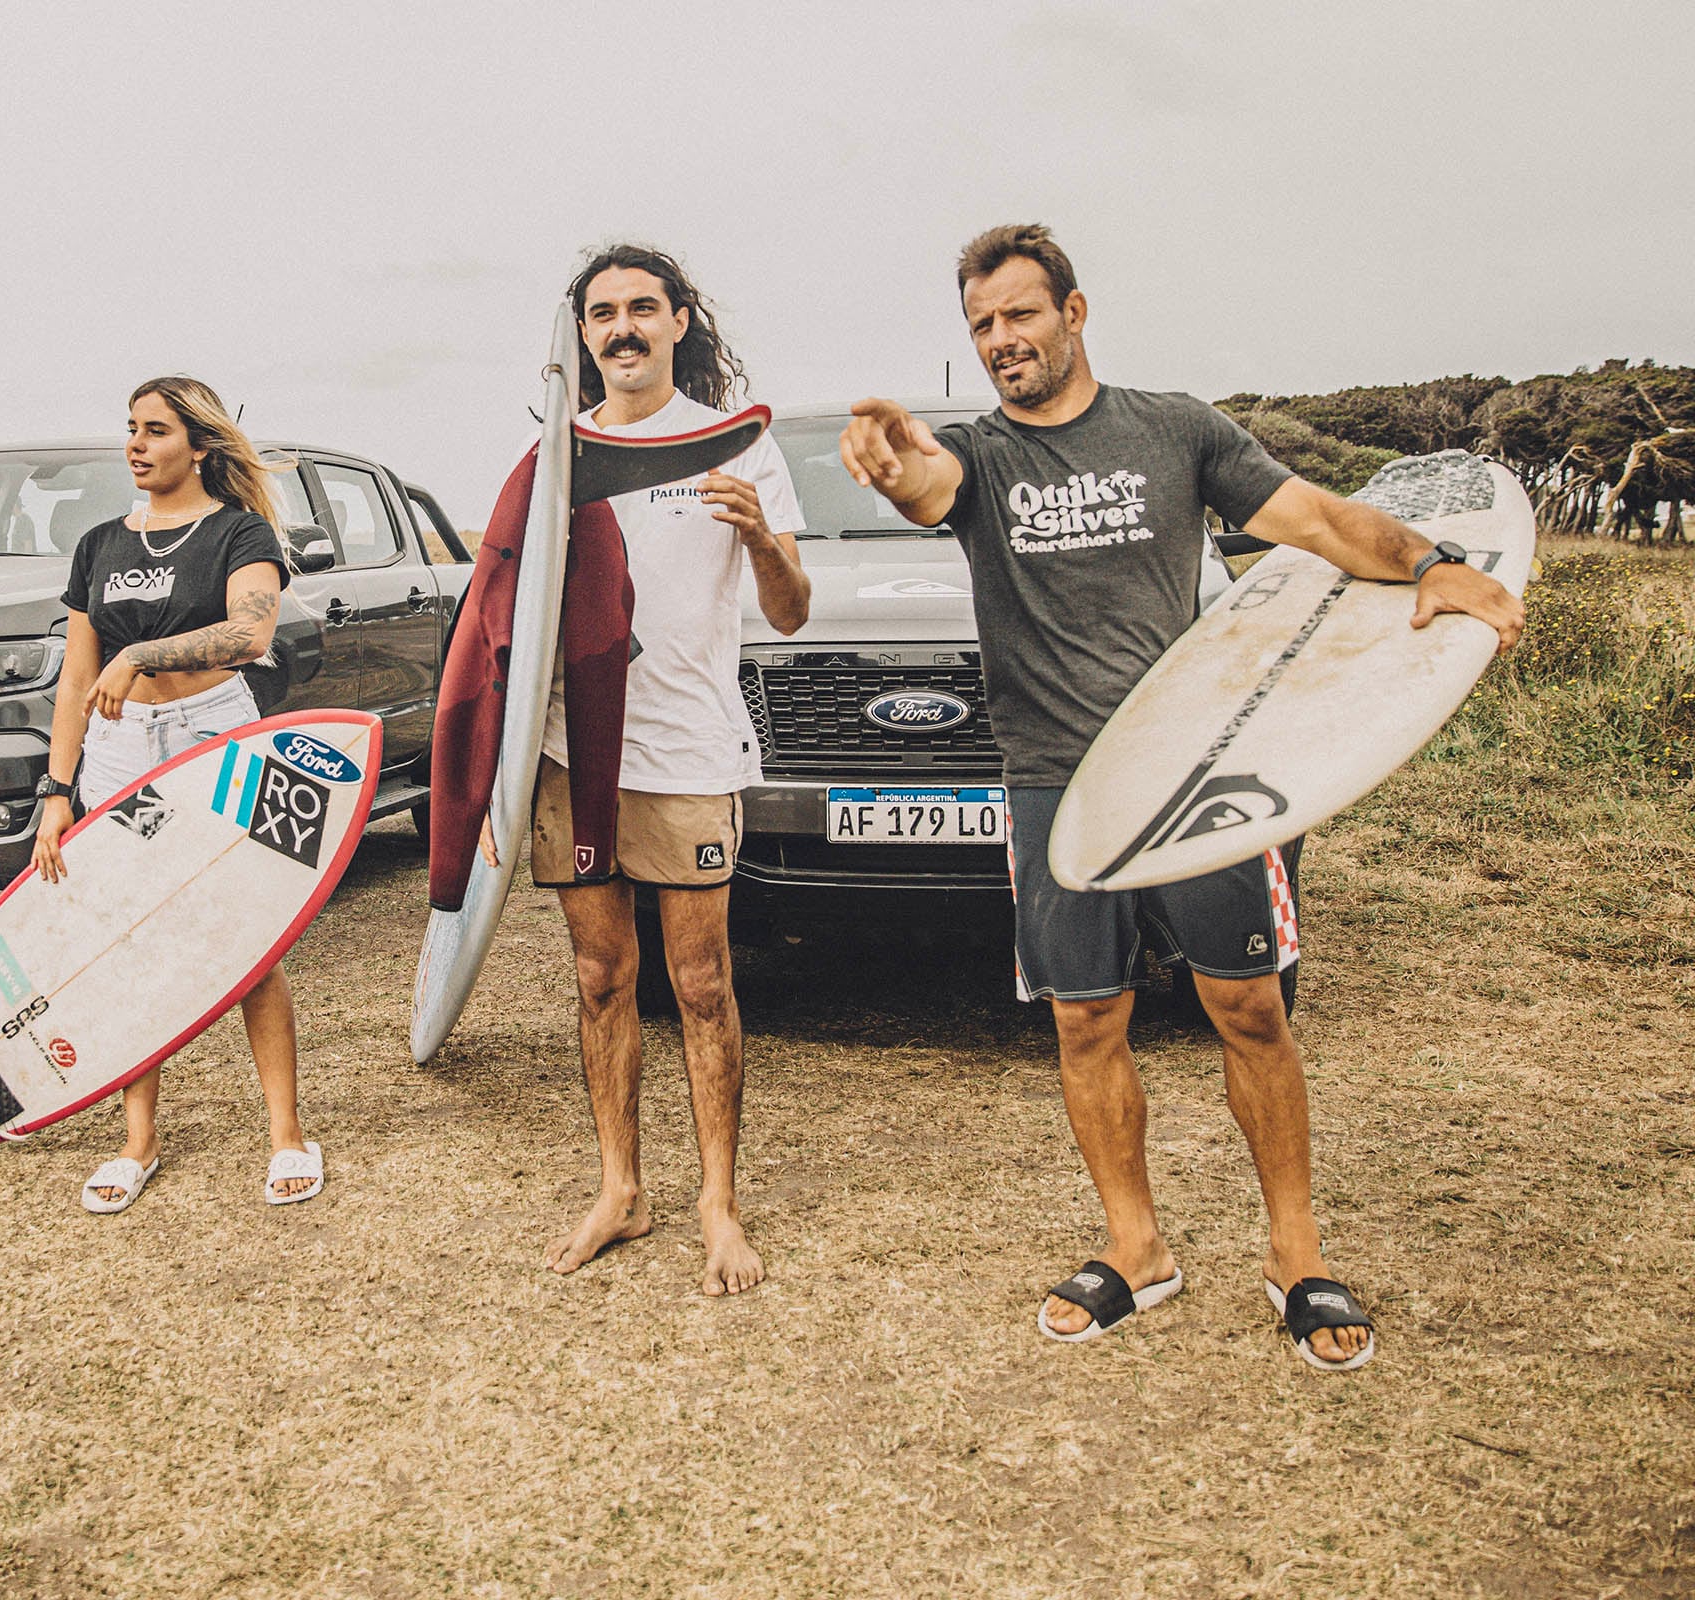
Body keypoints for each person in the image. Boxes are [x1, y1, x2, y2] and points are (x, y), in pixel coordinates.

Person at [840, 225, 1524, 1369]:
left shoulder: (1175, 429)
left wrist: (1427, 562)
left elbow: (1316, 521)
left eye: (1019, 315)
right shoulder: (983, 458)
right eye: (981, 326)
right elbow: (924, 487)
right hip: (1056, 780)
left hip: (1198, 767)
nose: (1002, 341)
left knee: (1250, 1007)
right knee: (1084, 1017)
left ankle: (1295, 1254)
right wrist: (891, 457)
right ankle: (1137, 1247)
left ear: (1074, 312)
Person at [528, 244, 810, 1296]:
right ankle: (621, 1188)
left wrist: (766, 540)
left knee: (700, 984)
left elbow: (789, 609)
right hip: (574, 751)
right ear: (583, 332)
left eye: (643, 307)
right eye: (603, 313)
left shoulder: (736, 446)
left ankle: (717, 1202)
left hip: (688, 748)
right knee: (602, 977)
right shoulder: (558, 449)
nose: (623, 328)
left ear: (681, 319)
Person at [31, 375, 322, 1212]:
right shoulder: (98, 545)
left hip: (210, 732)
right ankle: (138, 1141)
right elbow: (77, 676)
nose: (135, 443)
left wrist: (145, 656)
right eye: (130, 428)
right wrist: (57, 788)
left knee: (245, 936)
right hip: (118, 752)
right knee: (131, 938)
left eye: (155, 430)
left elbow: (251, 633)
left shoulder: (239, 531)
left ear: (199, 445)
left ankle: (286, 1134)